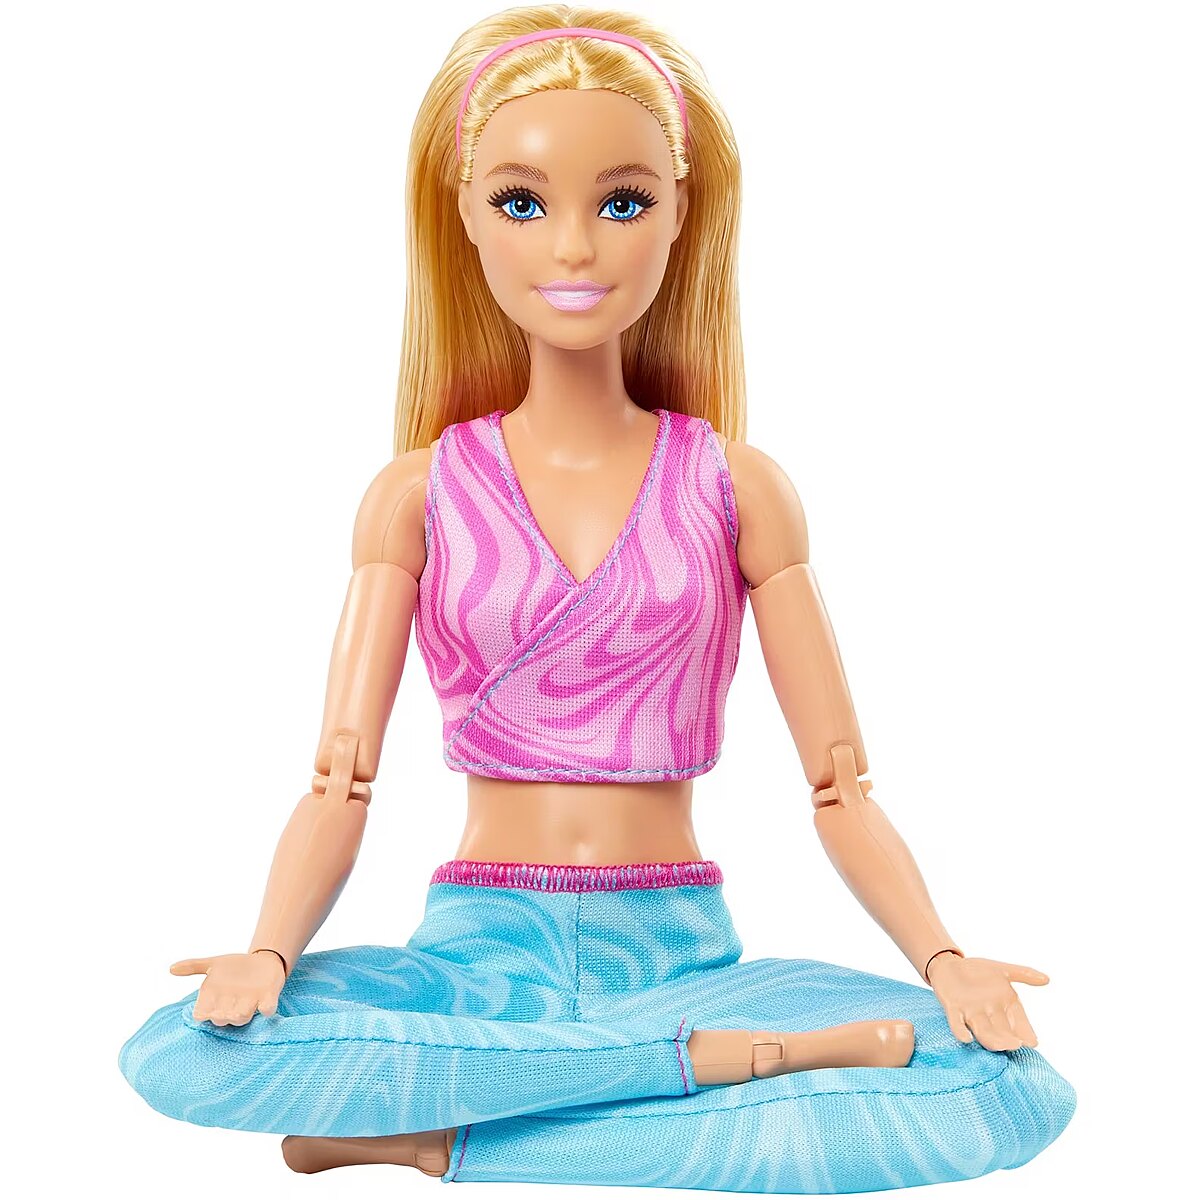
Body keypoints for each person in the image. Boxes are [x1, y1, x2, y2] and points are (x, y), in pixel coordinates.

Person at [118, 7, 1076, 1191]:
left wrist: (943, 960)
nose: (573, 247)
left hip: (678, 957)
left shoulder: (735, 487)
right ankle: (722, 1072)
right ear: (465, 217)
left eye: (621, 202)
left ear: (679, 214)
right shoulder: (418, 494)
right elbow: (339, 780)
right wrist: (268, 953)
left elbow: (840, 787)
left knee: (1004, 1088)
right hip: (475, 964)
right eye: (523, 203)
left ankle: (447, 1137)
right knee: (183, 1051)